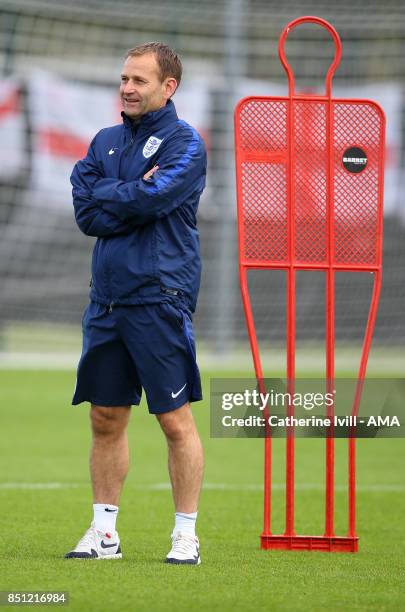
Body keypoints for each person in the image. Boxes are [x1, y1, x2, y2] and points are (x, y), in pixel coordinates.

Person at [65, 42, 206, 565]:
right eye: (124, 78)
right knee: (105, 417)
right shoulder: (102, 140)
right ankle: (104, 535)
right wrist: (126, 192)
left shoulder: (185, 144)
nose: (127, 87)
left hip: (159, 297)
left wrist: (113, 192)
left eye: (139, 80)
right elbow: (86, 214)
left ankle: (185, 534)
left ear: (168, 88)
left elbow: (153, 199)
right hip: (106, 301)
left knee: (174, 420)